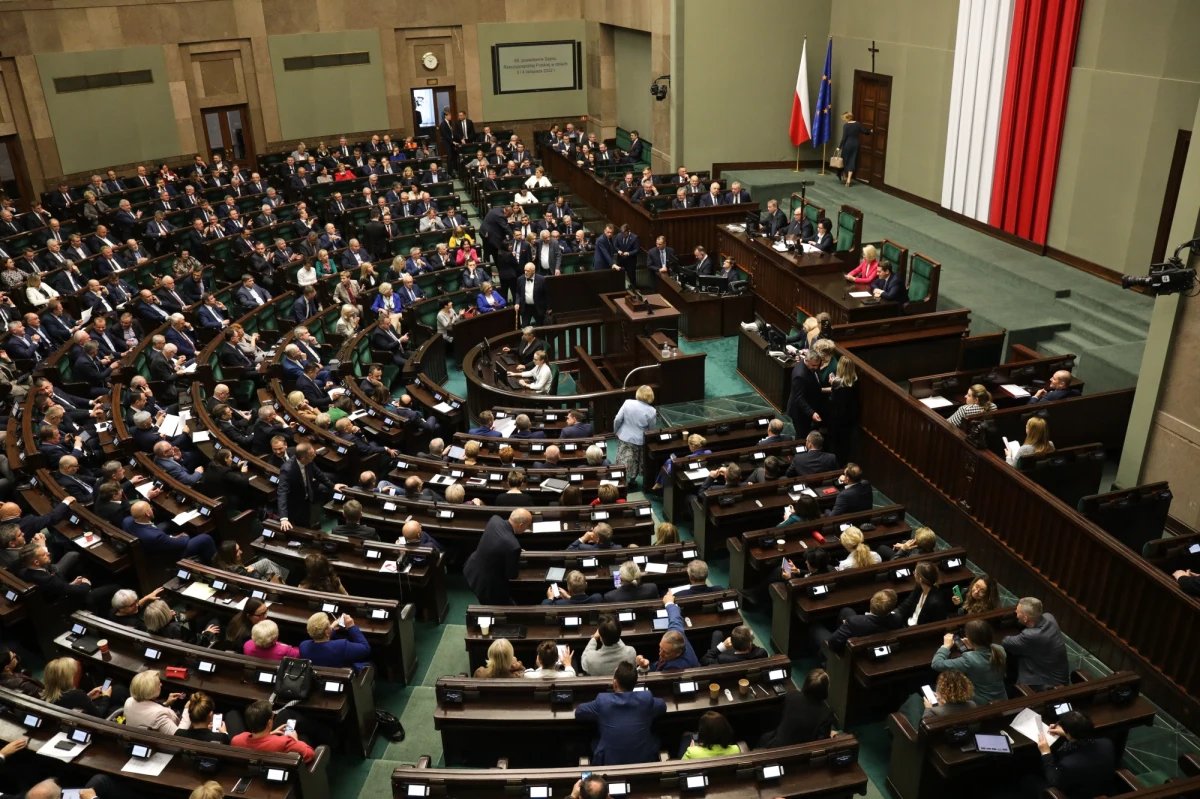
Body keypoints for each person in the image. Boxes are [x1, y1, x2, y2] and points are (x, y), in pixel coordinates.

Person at [575, 661, 666, 765]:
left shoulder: (603, 701)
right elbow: (663, 706)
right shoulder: (646, 698)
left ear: (615, 683)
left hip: (609, 761)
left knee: (593, 741)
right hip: (643, 758)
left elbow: (579, 712)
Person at [1032, 711, 1116, 799]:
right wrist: (1068, 734)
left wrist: (1046, 753)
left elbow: (1054, 782)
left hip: (1079, 795)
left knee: (1028, 780)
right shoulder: (1107, 743)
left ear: (1068, 733)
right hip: (1102, 787)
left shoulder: (1068, 764)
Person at [932, 619, 1008, 705]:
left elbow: (936, 664)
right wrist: (974, 647)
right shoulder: (999, 649)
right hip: (1003, 699)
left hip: (982, 704)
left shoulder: (969, 659)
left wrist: (945, 646)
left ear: (970, 639)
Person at [464, 509, 530, 605]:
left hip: (472, 568)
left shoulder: (495, 519)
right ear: (521, 525)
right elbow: (511, 575)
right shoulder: (513, 546)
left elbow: (497, 541)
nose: (528, 527)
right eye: (528, 525)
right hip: (487, 584)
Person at [1002, 596, 1069, 690]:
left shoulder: (1030, 635)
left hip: (1048, 683)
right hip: (1060, 675)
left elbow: (1006, 642)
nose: (1015, 613)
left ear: (1025, 618)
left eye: (1017, 612)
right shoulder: (1049, 617)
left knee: (1014, 655)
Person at [278, 442, 348, 530]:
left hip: (307, 494)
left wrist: (332, 486)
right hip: (296, 501)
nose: (315, 455)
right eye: (312, 454)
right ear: (303, 459)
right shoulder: (287, 470)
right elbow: (282, 492)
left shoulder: (309, 461)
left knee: (310, 515)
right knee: (302, 523)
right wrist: (283, 518)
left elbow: (318, 473)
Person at [758, 669, 835, 747]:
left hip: (776, 747)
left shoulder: (791, 695)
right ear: (825, 690)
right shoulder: (826, 713)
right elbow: (821, 744)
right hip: (801, 755)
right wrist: (830, 737)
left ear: (806, 682)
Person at [231, 699, 316, 762]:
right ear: (269, 723)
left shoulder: (236, 740)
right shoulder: (284, 742)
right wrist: (295, 740)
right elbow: (310, 755)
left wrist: (271, 733)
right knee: (303, 736)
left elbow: (258, 742)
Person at [41, 656, 127, 719]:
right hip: (95, 720)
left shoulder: (46, 695)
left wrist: (88, 696)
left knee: (117, 690)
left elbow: (73, 702)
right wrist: (106, 696)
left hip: (80, 713)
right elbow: (99, 715)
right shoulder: (76, 694)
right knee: (120, 691)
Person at [819, 589, 901, 655]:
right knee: (846, 611)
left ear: (871, 601)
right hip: (868, 638)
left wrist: (847, 626)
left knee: (814, 628)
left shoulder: (854, 622)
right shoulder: (897, 619)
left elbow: (831, 643)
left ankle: (824, 660)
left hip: (850, 653)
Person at [635, 592, 699, 672]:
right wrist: (669, 603)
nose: (660, 654)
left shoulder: (674, 667)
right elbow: (675, 619)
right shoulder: (677, 633)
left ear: (678, 653)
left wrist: (644, 668)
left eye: (666, 652)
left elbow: (655, 678)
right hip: (655, 665)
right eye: (660, 648)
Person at [613, 385, 656, 488]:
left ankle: (619, 479)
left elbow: (618, 419)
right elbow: (651, 429)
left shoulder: (627, 403)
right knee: (635, 461)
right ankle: (632, 481)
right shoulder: (652, 411)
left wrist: (616, 431)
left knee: (622, 458)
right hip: (639, 439)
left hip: (624, 436)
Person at [124, 669, 191, 734]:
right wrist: (187, 710)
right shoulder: (159, 715)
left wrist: (166, 704)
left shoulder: (129, 701)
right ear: (151, 690)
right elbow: (179, 735)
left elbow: (148, 711)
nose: (161, 684)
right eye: (158, 683)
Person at [301, 611, 371, 671]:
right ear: (326, 632)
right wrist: (351, 626)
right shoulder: (341, 646)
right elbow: (365, 648)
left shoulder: (303, 646)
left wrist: (331, 628)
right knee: (371, 665)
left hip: (319, 679)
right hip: (344, 679)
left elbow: (322, 643)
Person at [827, 357, 860, 467]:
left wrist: (832, 384)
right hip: (850, 418)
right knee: (846, 442)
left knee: (836, 443)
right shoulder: (855, 380)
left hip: (837, 418)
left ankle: (836, 464)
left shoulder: (837, 383)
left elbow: (831, 400)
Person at [894, 561, 949, 626]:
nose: (913, 574)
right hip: (909, 622)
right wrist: (894, 614)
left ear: (920, 580)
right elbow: (908, 602)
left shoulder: (936, 603)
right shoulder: (919, 587)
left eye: (915, 573)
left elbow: (936, 626)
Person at [786, 350, 826, 437]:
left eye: (817, 365)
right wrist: (812, 413)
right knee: (802, 435)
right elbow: (799, 398)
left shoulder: (809, 367)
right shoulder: (800, 375)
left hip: (809, 404)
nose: (816, 368)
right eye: (813, 365)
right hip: (800, 412)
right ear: (807, 360)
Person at [701, 625, 767, 665]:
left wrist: (723, 646)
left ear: (732, 645)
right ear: (750, 644)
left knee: (717, 634)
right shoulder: (761, 653)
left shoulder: (723, 658)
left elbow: (704, 660)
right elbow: (755, 648)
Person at [836, 111, 872, 186]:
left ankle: (844, 177)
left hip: (847, 144)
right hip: (855, 144)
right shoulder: (857, 124)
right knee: (852, 160)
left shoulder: (846, 126)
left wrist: (839, 147)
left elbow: (844, 138)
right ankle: (849, 180)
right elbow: (864, 131)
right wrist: (870, 131)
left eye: (844, 118)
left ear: (847, 118)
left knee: (844, 160)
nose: (843, 120)